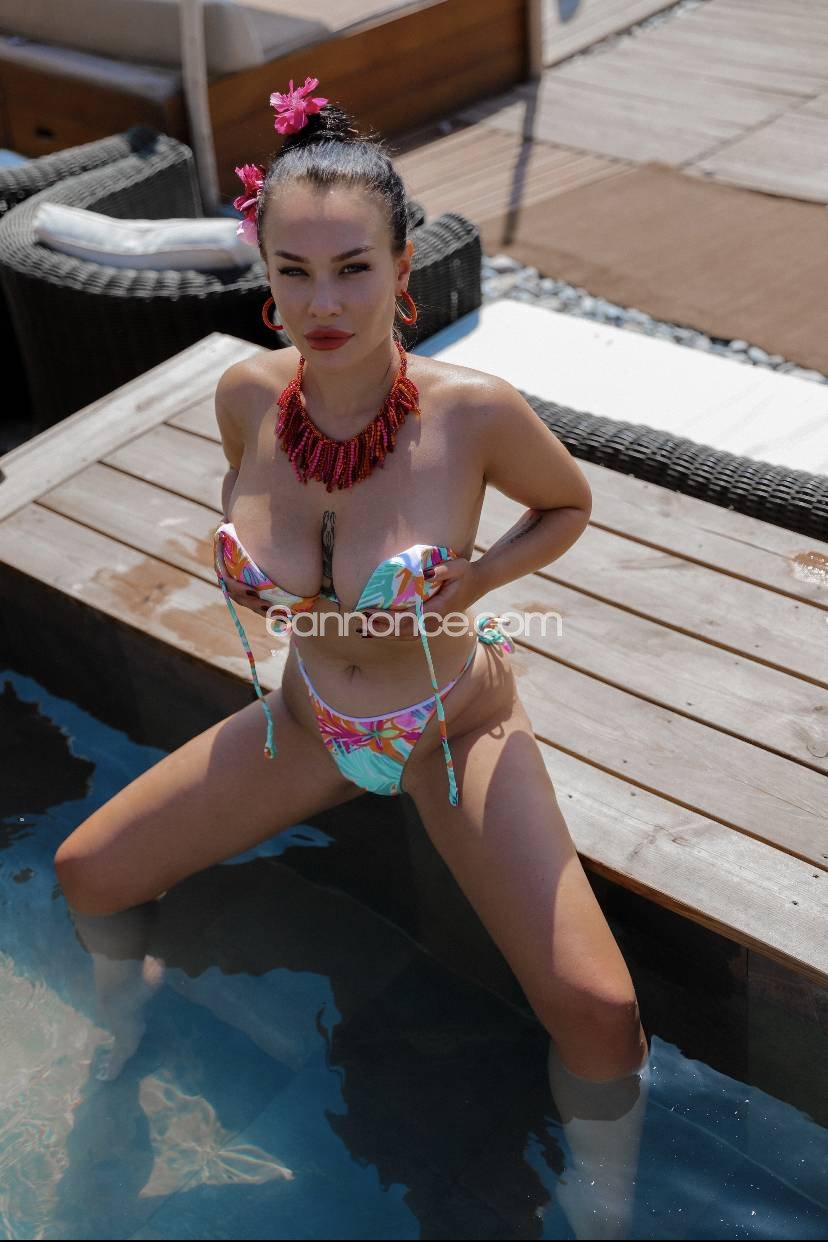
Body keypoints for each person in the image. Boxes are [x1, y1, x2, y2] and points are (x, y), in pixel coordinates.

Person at [54, 77, 652, 1237]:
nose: (323, 302)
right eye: (294, 271)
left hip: (450, 725)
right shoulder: (246, 394)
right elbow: (249, 511)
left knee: (600, 1015)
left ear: (402, 264)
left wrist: (480, 578)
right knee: (88, 873)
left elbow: (567, 505)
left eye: (353, 268)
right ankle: (122, 1025)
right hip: (307, 720)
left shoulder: (473, 414)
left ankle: (607, 1215)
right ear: (265, 274)